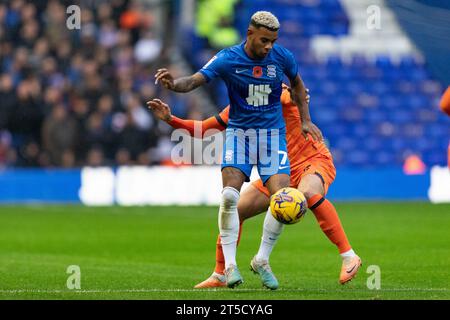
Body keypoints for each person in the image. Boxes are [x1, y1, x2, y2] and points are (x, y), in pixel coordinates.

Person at [154, 11, 322, 288]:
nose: (269, 46)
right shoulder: (228, 58)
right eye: (264, 40)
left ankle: (262, 259)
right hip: (239, 134)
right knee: (230, 196)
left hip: (272, 136)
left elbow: (298, 85)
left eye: (273, 41)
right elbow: (195, 80)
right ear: (250, 34)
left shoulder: (283, 57)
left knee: (280, 199)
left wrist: (305, 120)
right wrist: (174, 85)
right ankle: (229, 267)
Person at [147, 85, 362, 290]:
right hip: (280, 169)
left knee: (307, 194)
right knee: (235, 211)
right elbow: (204, 128)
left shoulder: (277, 95)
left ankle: (348, 256)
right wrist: (170, 119)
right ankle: (221, 273)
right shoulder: (238, 107)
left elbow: (297, 94)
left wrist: (299, 94)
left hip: (312, 159)